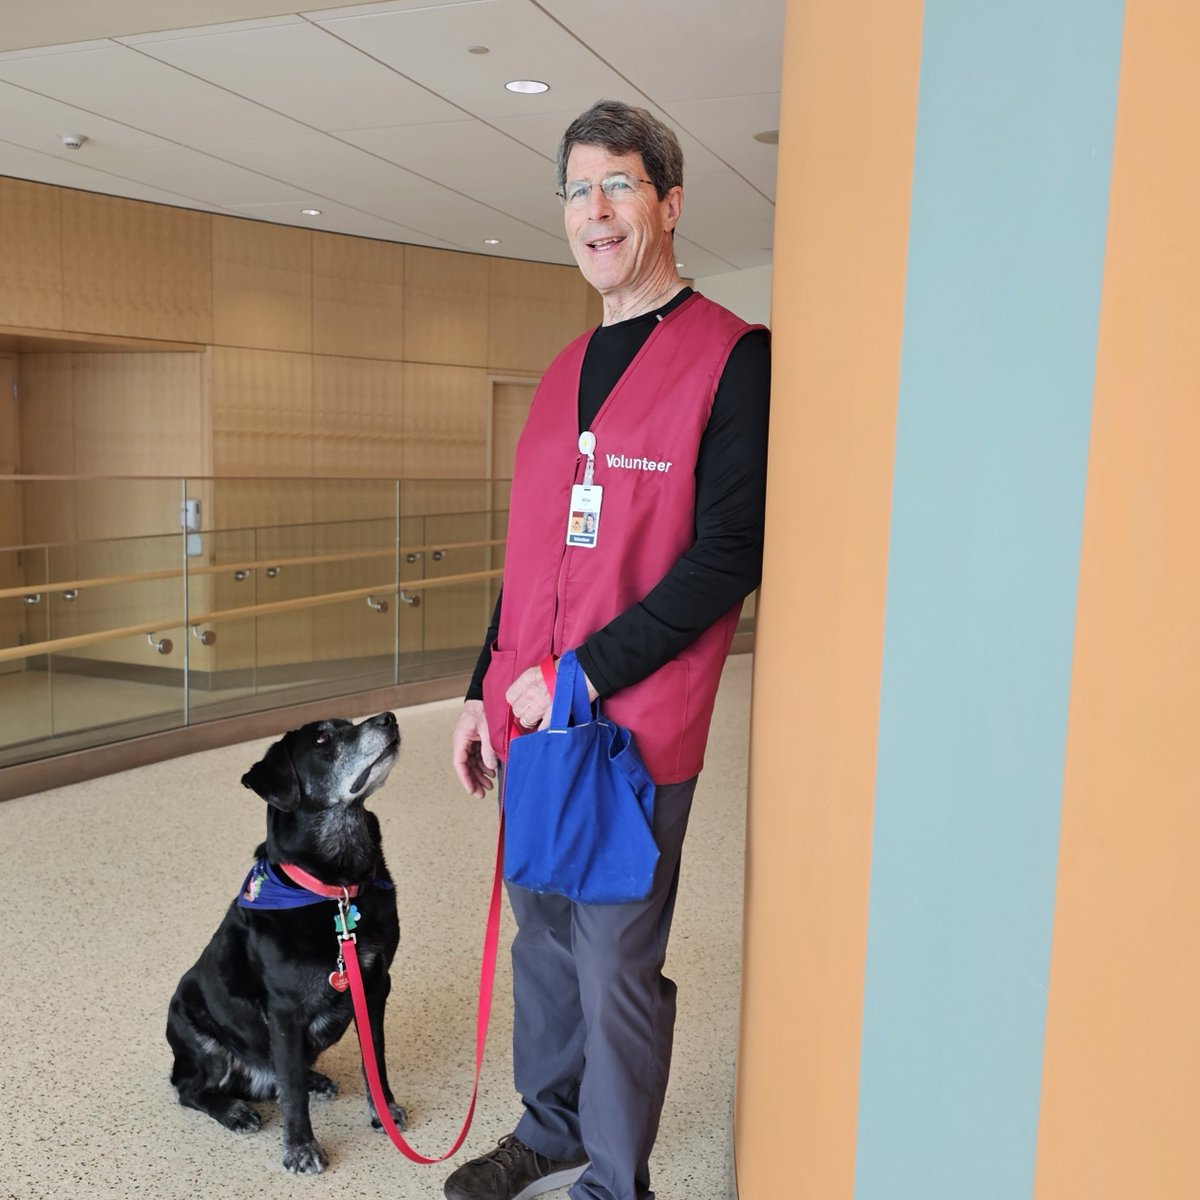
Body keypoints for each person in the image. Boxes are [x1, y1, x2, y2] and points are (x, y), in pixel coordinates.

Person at [447, 99, 771, 1200]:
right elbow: (528, 559)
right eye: (577, 190)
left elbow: (728, 554)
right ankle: (549, 1126)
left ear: (668, 202)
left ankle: (614, 1178)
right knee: (541, 946)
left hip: (632, 732)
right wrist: (474, 694)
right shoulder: (559, 373)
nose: (595, 211)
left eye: (618, 185)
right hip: (533, 724)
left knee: (615, 961)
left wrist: (582, 674)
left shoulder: (731, 359)